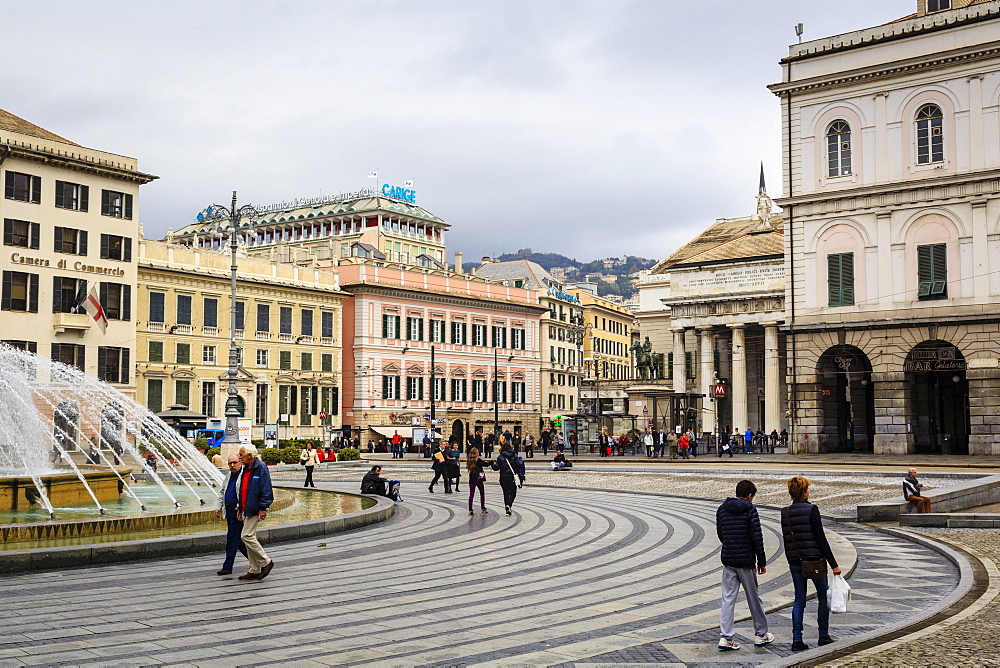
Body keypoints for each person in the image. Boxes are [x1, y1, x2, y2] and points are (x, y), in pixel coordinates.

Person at [781, 476, 841, 651]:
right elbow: (821, 539)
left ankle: (797, 639)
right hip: (814, 560)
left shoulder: (785, 512)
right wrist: (834, 564)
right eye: (808, 489)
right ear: (804, 492)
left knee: (799, 599)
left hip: (795, 560)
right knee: (823, 596)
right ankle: (823, 635)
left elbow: (787, 539)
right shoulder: (812, 509)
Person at [716, 480, 773, 651]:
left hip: (729, 560)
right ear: (749, 496)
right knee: (753, 597)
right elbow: (757, 537)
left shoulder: (722, 509)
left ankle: (726, 637)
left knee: (728, 598)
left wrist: (730, 546)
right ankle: (761, 634)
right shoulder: (750, 510)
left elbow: (721, 533)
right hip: (746, 561)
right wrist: (761, 561)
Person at [236, 445, 275, 581]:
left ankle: (266, 562)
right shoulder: (245, 469)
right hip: (246, 507)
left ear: (249, 456)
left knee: (246, 536)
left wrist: (263, 508)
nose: (239, 457)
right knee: (248, 537)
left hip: (255, 507)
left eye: (241, 455)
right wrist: (240, 508)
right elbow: (243, 489)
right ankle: (254, 570)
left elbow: (266, 489)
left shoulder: (261, 467)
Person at [215, 455, 249, 576]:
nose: (232, 465)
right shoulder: (228, 476)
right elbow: (222, 492)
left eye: (234, 463)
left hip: (237, 510)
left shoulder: (244, 476)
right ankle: (260, 561)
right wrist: (218, 507)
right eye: (230, 463)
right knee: (238, 541)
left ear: (240, 462)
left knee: (231, 538)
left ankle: (227, 566)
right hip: (229, 510)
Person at [492, 442, 525, 516]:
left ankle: (507, 509)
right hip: (512, 477)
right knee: (513, 492)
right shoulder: (514, 455)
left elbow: (496, 468)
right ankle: (509, 505)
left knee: (505, 493)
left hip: (503, 477)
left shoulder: (500, 457)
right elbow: (518, 465)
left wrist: (491, 464)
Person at [465, 448, 493, 515]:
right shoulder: (478, 460)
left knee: (471, 495)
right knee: (482, 493)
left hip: (472, 479)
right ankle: (483, 508)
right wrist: (491, 462)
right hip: (479, 479)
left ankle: (470, 509)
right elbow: (486, 465)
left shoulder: (469, 460)